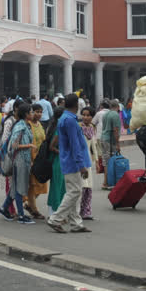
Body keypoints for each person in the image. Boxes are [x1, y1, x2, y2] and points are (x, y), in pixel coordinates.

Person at [46, 94, 92, 233]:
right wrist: (81, 164)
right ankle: (55, 219)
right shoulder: (70, 121)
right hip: (73, 161)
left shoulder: (64, 118)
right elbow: (75, 144)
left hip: (68, 160)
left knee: (74, 192)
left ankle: (76, 223)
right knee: (74, 192)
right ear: (77, 105)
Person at [0, 103, 36, 224]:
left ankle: (4, 208)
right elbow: (13, 146)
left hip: (24, 159)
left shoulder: (25, 125)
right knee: (20, 187)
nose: (33, 114)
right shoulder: (20, 126)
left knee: (15, 187)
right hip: (19, 160)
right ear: (26, 114)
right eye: (31, 112)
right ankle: (21, 215)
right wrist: (29, 145)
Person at [24, 103, 48, 219]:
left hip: (40, 160)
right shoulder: (27, 125)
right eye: (35, 111)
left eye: (40, 112)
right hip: (31, 160)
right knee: (33, 186)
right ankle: (34, 210)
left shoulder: (40, 125)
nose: (38, 114)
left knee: (41, 185)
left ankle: (29, 204)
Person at [79, 106, 98, 220]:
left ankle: (86, 211)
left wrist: (96, 159)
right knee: (81, 187)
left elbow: (93, 145)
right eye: (84, 115)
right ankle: (77, 211)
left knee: (88, 187)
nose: (85, 117)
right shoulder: (78, 127)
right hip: (80, 161)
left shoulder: (92, 127)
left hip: (88, 161)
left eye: (88, 115)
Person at [47, 106, 66, 214]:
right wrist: (62, 152)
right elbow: (52, 147)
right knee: (58, 186)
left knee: (58, 186)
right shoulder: (59, 128)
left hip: (59, 160)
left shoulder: (54, 126)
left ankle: (54, 211)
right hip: (58, 160)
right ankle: (55, 212)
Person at [100, 99, 122, 189]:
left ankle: (106, 182)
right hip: (110, 140)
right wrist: (117, 144)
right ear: (117, 107)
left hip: (103, 138)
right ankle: (108, 182)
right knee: (110, 161)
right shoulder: (115, 115)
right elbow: (115, 130)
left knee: (106, 161)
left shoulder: (105, 114)